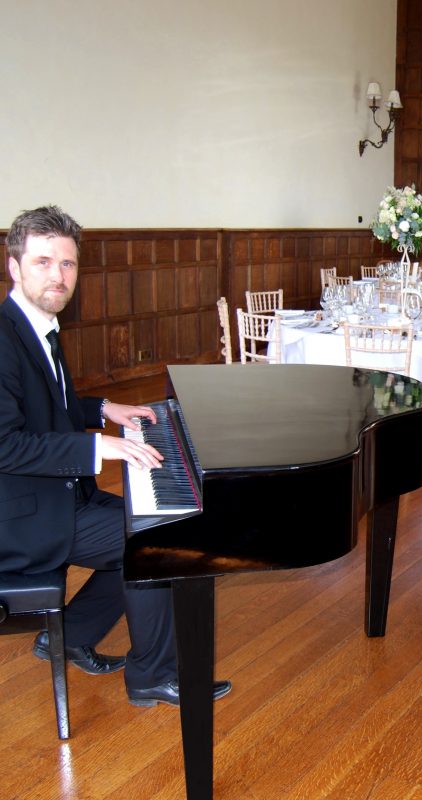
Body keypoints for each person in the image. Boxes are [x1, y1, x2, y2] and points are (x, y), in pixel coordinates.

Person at [0, 205, 230, 706]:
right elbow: (5, 443)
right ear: (14, 267)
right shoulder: (2, 339)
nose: (58, 276)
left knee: (147, 519)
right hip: (19, 519)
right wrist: (98, 445)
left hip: (52, 497)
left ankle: (71, 634)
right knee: (155, 539)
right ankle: (152, 675)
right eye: (43, 262)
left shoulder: (34, 324)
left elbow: (50, 406)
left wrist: (105, 408)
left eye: (67, 264)